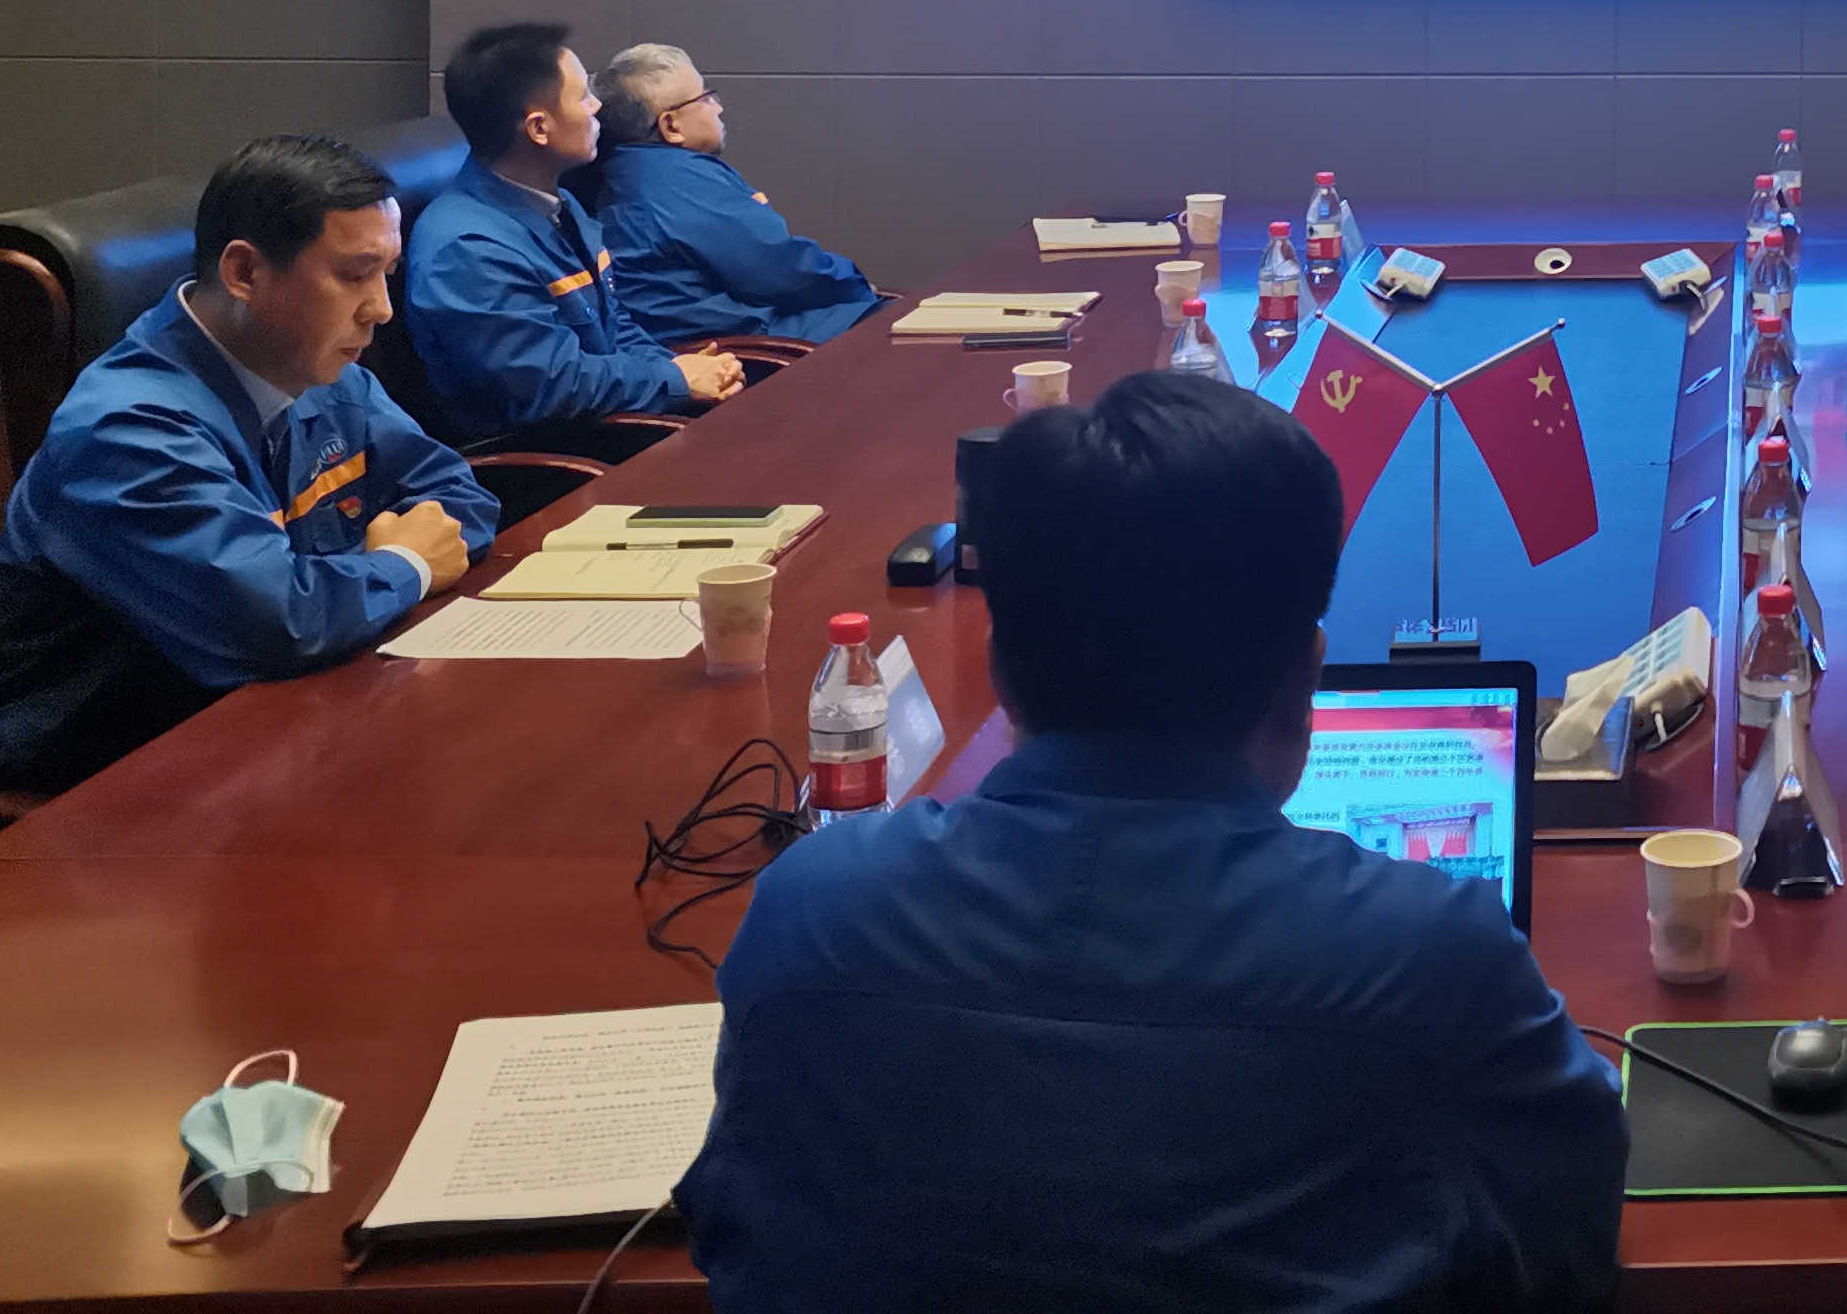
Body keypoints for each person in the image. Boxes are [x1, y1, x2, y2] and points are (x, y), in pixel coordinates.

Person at [680, 371, 1625, 1308]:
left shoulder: (809, 917)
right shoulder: (1435, 964)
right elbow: (1568, 1244)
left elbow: (740, 1234)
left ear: (1000, 668)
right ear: (1306, 677)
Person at [0, 137, 498, 796]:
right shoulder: (126, 429)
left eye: (386, 274)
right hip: (85, 779)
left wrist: (355, 587)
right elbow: (278, 626)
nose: (381, 308)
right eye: (354, 274)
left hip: (265, 727)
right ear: (245, 273)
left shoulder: (322, 368)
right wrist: (405, 564)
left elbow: (457, 498)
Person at [405, 22, 744, 444]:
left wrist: (679, 369)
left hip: (615, 422)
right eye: (583, 96)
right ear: (538, 128)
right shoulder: (466, 250)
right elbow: (551, 385)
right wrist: (672, 380)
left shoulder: (558, 202)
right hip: (557, 459)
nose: (597, 107)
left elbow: (613, 323)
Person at [581, 45, 881, 345]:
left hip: (696, 337)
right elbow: (778, 270)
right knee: (894, 322)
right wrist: (854, 285)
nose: (718, 108)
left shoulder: (622, 171)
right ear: (671, 125)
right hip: (741, 343)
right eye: (705, 97)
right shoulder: (680, 180)